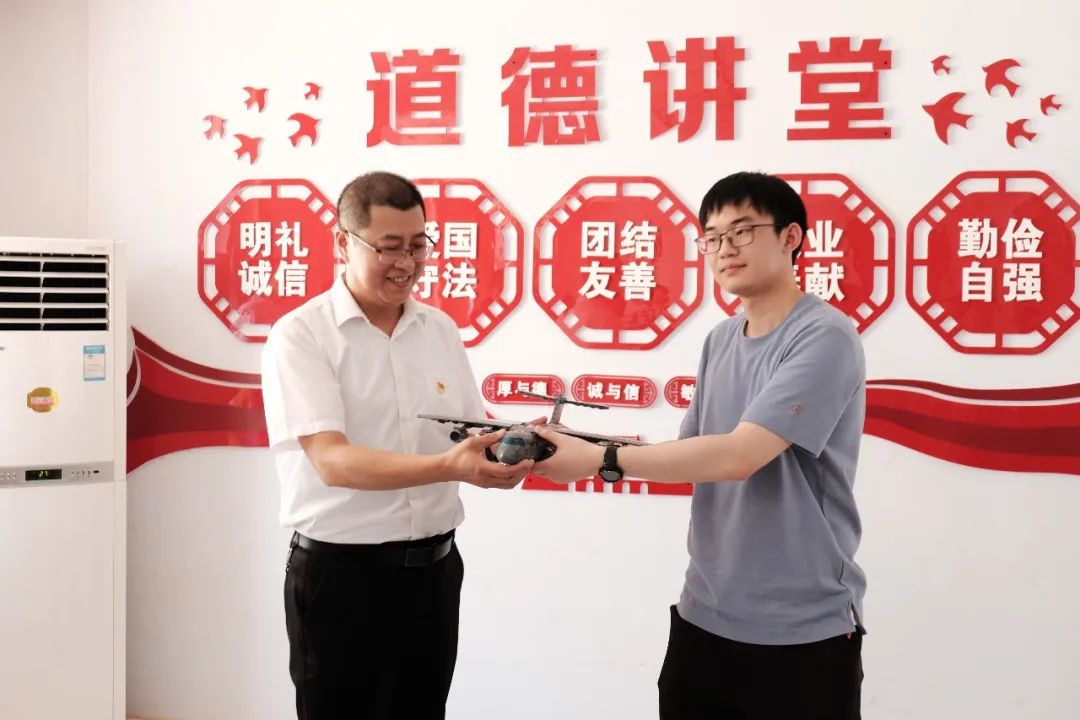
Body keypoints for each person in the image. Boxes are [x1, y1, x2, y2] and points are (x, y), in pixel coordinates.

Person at [535, 171, 868, 719]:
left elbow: (739, 456)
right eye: (712, 238)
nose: (724, 249)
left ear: (791, 237)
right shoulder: (721, 339)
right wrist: (579, 442)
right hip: (704, 616)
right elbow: (695, 451)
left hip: (801, 631)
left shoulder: (824, 335)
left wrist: (599, 461)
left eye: (742, 231)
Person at [261, 171, 533, 720]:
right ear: (343, 243)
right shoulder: (302, 335)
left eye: (418, 246)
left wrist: (514, 446)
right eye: (389, 248)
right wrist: (449, 467)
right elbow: (333, 461)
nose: (407, 263)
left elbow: (465, 432)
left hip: (434, 573)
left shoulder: (440, 330)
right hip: (342, 580)